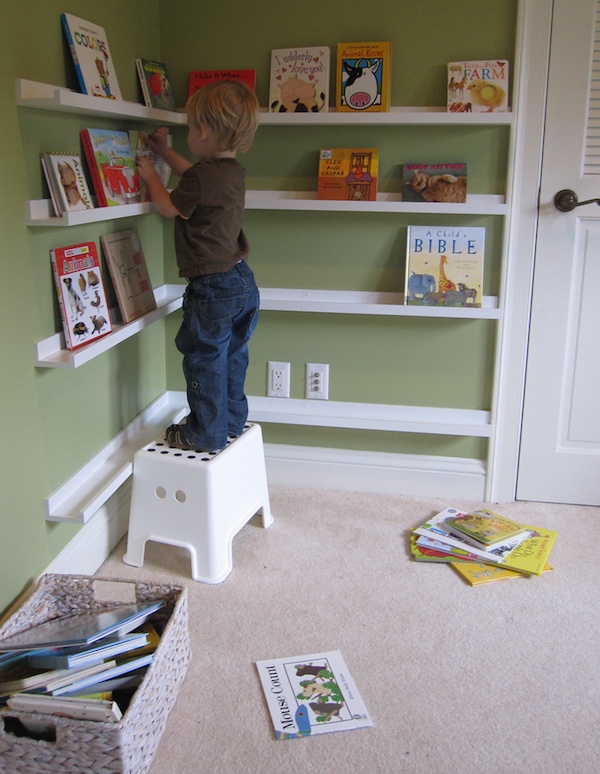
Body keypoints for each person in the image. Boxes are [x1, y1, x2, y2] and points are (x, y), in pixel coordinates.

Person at [135, 80, 260, 452]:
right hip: (242, 281)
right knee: (234, 355)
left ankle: (204, 433)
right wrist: (167, 152)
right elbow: (193, 176)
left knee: (203, 358)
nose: (189, 134)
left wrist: (151, 174)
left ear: (203, 132)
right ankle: (232, 422)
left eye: (190, 128)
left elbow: (168, 206)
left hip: (212, 286)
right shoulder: (231, 171)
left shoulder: (201, 178)